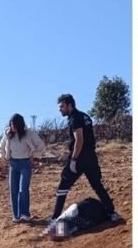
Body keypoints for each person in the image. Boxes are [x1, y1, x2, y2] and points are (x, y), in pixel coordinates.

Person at [48, 94, 123, 228]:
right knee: (97, 185)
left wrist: (74, 159)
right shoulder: (85, 116)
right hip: (91, 157)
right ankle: (112, 213)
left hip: (80, 157)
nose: (60, 110)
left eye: (62, 107)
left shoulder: (74, 118)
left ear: (69, 105)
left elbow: (79, 139)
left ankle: (55, 219)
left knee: (63, 187)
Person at [0, 113, 47, 222]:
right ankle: (16, 216)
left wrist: (34, 155)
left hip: (25, 163)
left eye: (14, 125)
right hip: (13, 164)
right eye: (11, 125)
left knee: (23, 188)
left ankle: (25, 214)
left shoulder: (29, 133)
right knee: (13, 190)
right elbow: (1, 147)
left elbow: (41, 146)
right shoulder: (7, 134)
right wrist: (3, 156)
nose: (12, 127)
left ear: (20, 125)